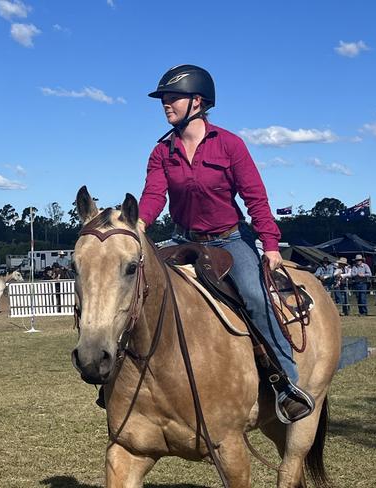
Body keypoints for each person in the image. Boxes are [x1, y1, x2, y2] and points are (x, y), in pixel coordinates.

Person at [137, 64, 313, 423]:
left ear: (197, 101)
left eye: (172, 98)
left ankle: (288, 384)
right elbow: (154, 195)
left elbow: (256, 198)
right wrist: (138, 226)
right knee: (140, 283)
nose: (165, 105)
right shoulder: (161, 152)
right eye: (163, 100)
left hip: (229, 239)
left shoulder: (230, 144)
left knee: (254, 296)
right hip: (181, 237)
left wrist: (271, 245)